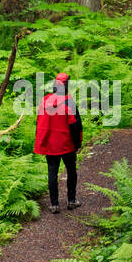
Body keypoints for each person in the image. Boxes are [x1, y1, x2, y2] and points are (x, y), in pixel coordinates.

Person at [33, 72, 83, 213]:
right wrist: (77, 144)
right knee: (71, 171)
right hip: (67, 145)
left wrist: (41, 141)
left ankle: (54, 205)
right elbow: (75, 126)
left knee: (52, 173)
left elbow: (39, 123)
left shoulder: (45, 100)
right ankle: (71, 201)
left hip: (50, 145)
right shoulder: (68, 102)